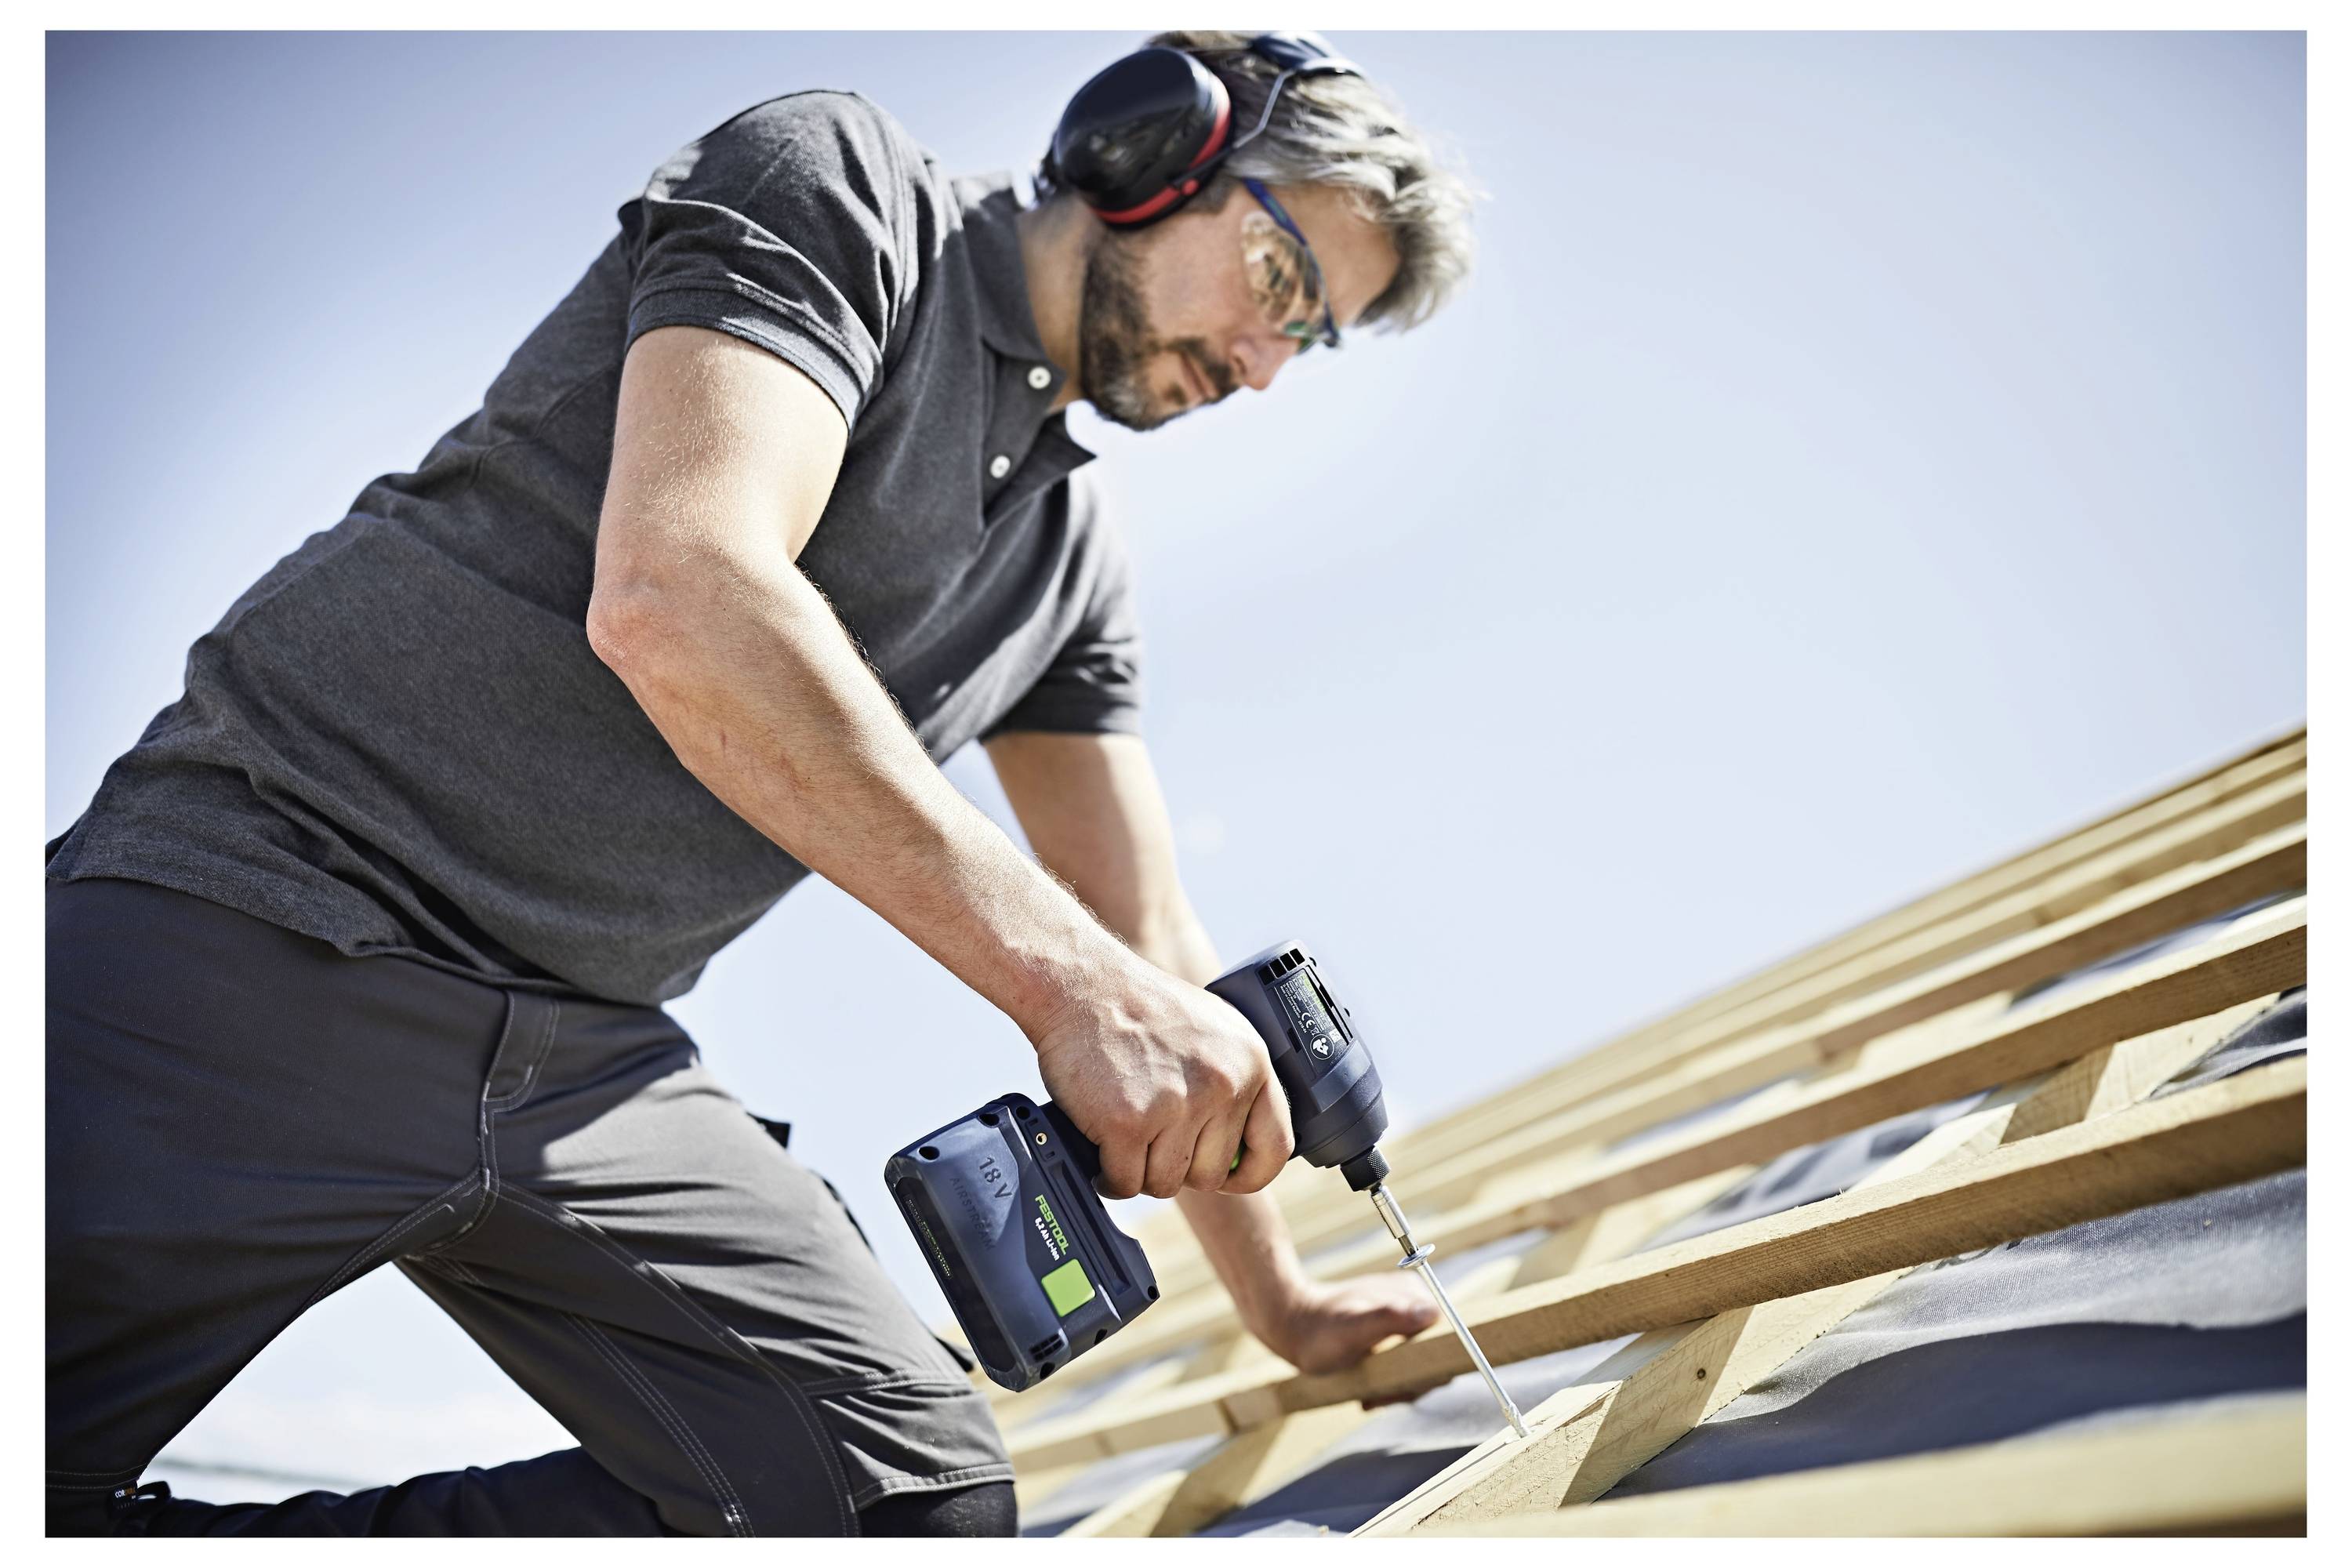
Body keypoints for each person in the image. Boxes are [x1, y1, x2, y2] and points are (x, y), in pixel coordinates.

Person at [45, 29, 1475, 1537]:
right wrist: (1076, 996)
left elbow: (1150, 949)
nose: (1264, 368)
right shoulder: (843, 187)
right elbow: (683, 596)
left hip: (584, 1058)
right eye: (1280, 285)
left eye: (1309, 345)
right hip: (267, 905)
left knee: (895, 1504)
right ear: (1150, 152)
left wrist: (1286, 1302)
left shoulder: (1067, 566)